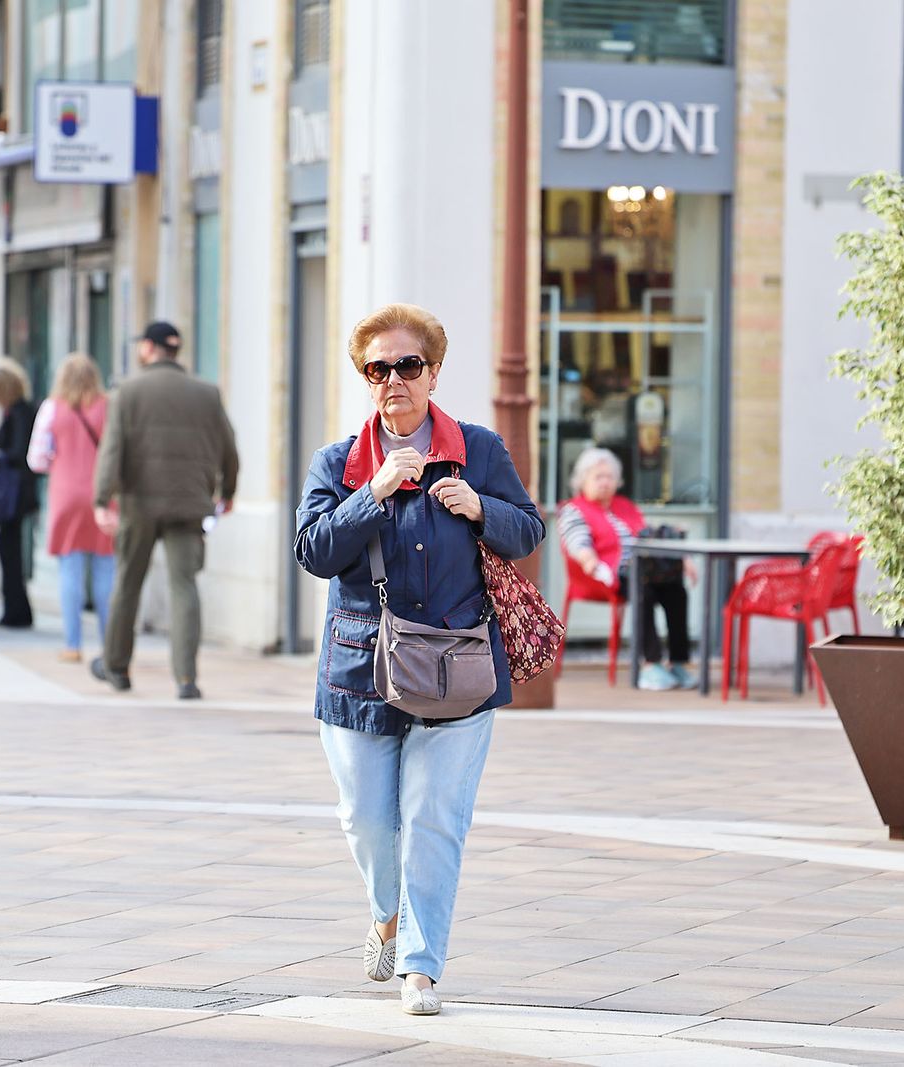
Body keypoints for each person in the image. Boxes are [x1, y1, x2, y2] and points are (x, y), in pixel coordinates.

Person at [294, 303, 544, 1017]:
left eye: (408, 365)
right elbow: (313, 551)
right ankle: (387, 914)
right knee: (367, 822)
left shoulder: (479, 450)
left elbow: (528, 530)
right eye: (378, 369)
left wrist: (480, 508)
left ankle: (420, 967)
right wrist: (370, 494)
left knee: (434, 821)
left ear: (433, 373)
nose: (394, 380)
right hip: (359, 672)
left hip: (457, 667)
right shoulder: (338, 463)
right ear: (366, 379)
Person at [91, 322, 239, 699]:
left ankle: (116, 667)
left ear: (148, 348)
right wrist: (227, 492)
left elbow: (112, 450)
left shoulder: (127, 392)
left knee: (128, 583)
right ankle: (186, 678)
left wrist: (102, 499)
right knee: (184, 586)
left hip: (138, 504)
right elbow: (229, 448)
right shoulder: (206, 394)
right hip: (189, 503)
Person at [557, 447, 697, 690]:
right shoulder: (575, 509)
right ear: (583, 480)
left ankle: (678, 662)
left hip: (645, 570)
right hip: (604, 574)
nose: (605, 482)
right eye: (598, 477)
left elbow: (649, 538)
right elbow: (578, 542)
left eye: (609, 477)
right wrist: (589, 560)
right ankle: (651, 664)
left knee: (676, 590)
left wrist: (682, 559)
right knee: (643, 589)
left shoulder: (626, 506)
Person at [29, 354, 117, 662]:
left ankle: (73, 644)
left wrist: (60, 460)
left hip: (66, 495)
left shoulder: (52, 408)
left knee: (70, 570)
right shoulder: (109, 407)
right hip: (104, 496)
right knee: (106, 571)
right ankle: (111, 646)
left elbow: (36, 459)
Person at [0, 357, 39, 630]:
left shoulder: (18, 413)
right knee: (9, 549)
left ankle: (15, 612)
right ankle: (16, 610)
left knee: (8, 550)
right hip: (18, 491)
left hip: (16, 493)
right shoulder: (19, 411)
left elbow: (18, 454)